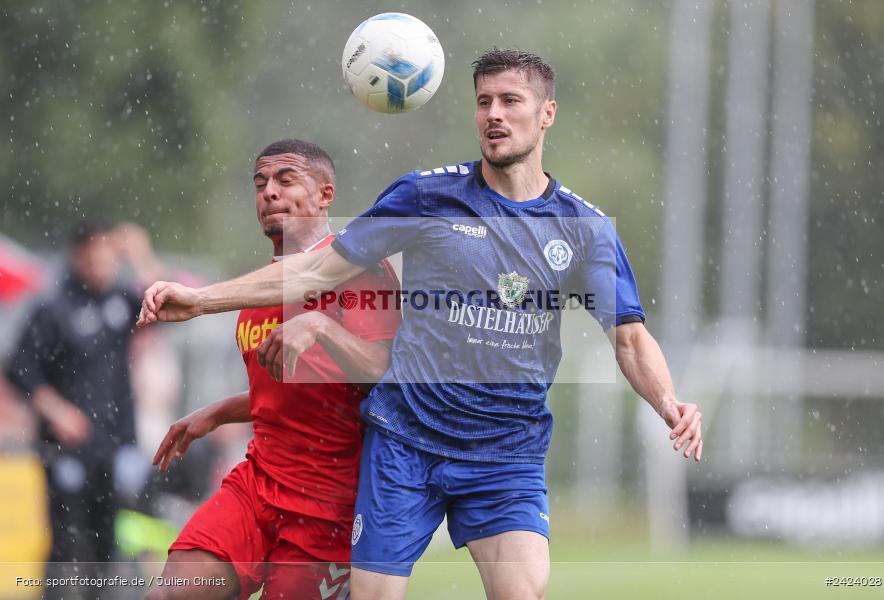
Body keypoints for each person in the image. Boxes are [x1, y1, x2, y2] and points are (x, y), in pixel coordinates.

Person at [137, 50, 703, 600]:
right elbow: (313, 270)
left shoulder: (585, 228)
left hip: (505, 450)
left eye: (511, 100)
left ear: (547, 113)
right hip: (405, 442)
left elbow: (628, 338)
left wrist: (669, 402)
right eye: (484, 102)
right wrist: (203, 300)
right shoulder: (426, 195)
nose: (494, 115)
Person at [145, 139, 401, 600]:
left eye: (286, 180)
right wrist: (218, 412)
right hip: (258, 482)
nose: (269, 192)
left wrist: (321, 326)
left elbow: (386, 370)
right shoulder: (257, 290)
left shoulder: (361, 268)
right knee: (174, 590)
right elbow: (296, 389)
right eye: (260, 183)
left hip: (330, 503)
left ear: (326, 194)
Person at [5, 221, 166, 600]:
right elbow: (19, 369)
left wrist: (140, 253)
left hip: (114, 444)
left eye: (110, 256)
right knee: (64, 540)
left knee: (109, 540)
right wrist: (56, 410)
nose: (102, 264)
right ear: (78, 256)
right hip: (65, 448)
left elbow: (166, 304)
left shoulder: (122, 302)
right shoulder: (53, 309)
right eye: (94, 255)